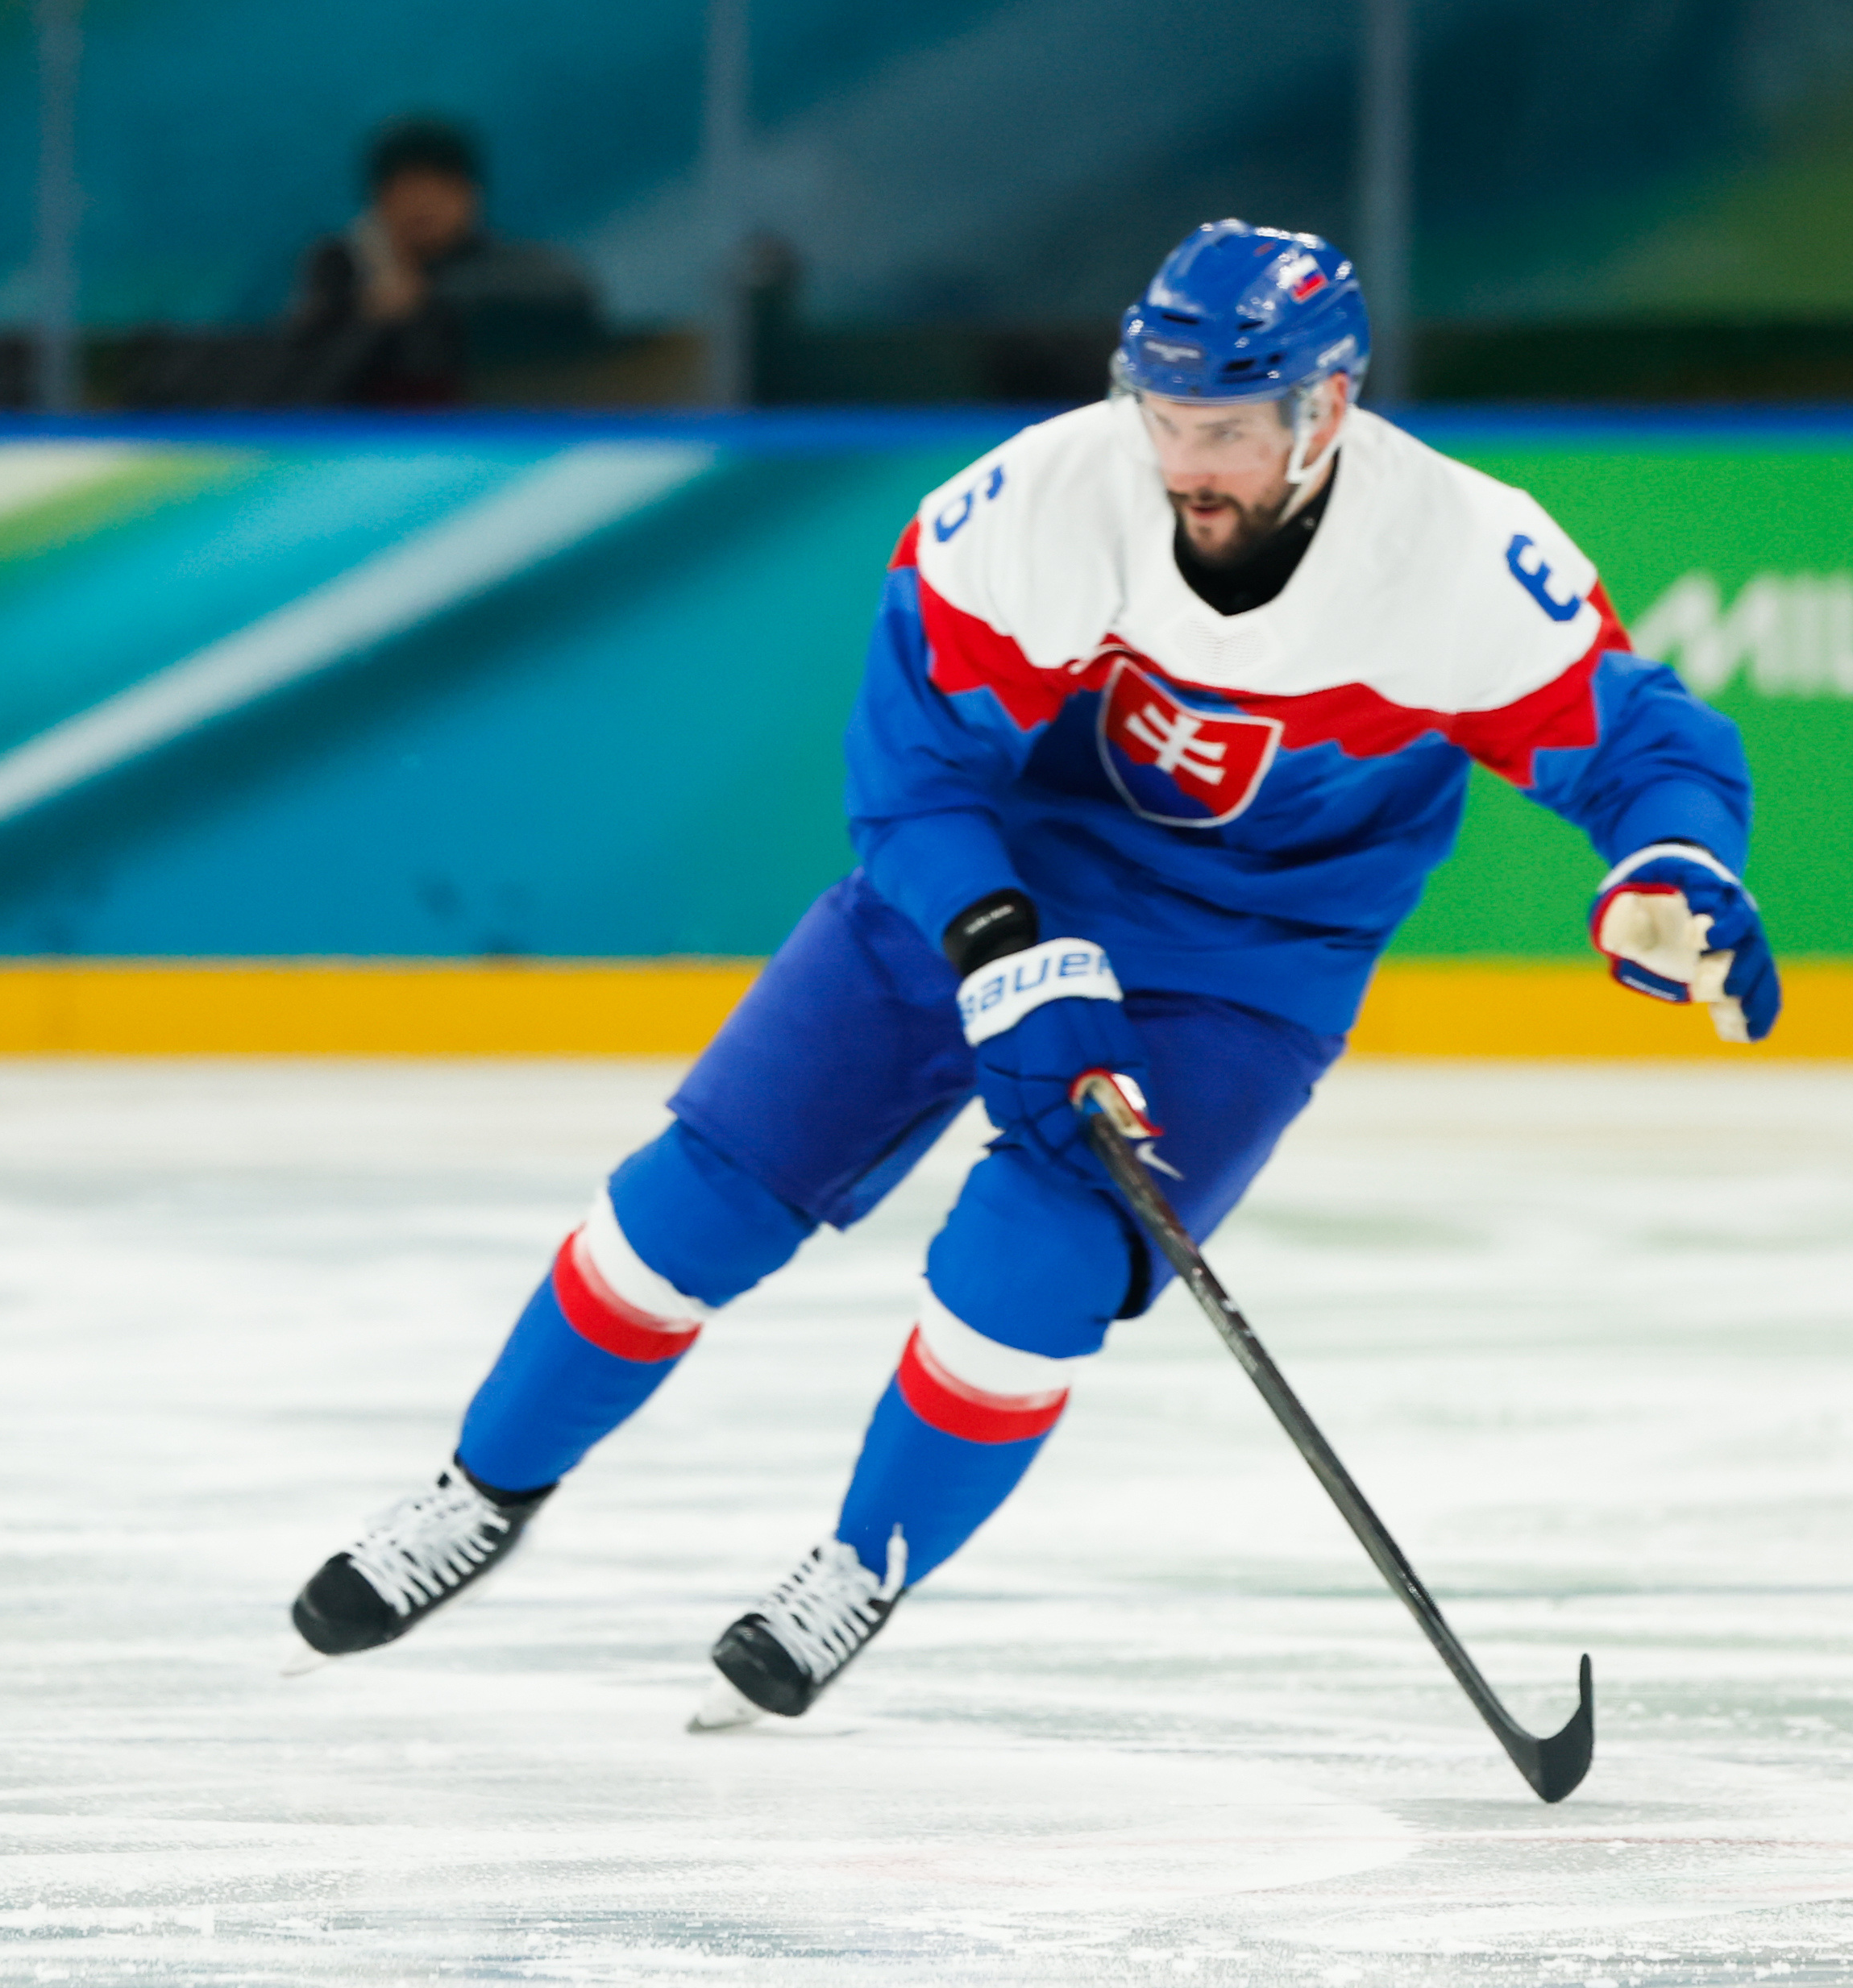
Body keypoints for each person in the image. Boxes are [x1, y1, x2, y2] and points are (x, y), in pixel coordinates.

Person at [287, 222, 1776, 1725]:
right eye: (1167, 417)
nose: (1187, 460)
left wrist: (1673, 867)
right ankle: (481, 1491)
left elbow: (1646, 745)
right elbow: (916, 779)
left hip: (1249, 959)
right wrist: (1002, 946)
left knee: (1035, 1266)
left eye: (1230, 430)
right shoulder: (1046, 500)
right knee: (695, 1196)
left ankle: (860, 1567)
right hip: (990, 880)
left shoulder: (1455, 557)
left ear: (1324, 414)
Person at [276, 115, 600, 408]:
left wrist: (426, 298)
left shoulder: (511, 267)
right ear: (377, 201)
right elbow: (301, 365)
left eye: (435, 190)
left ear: (471, 195)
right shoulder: (343, 269)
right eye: (404, 192)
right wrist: (371, 315)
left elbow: (573, 297)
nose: (420, 205)